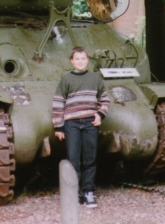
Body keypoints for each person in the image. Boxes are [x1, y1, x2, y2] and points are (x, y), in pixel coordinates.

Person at [52, 46, 110, 208]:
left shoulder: (95, 79)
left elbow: (105, 99)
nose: (80, 61)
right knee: (73, 159)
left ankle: (89, 191)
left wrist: (100, 115)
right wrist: (58, 126)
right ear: (71, 61)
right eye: (77, 59)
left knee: (90, 158)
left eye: (83, 58)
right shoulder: (66, 79)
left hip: (90, 122)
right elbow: (58, 102)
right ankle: (74, 192)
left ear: (88, 60)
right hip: (72, 124)